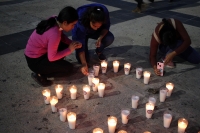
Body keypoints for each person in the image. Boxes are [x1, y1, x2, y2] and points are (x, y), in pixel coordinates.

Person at [24, 6, 82, 87]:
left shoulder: (55, 19)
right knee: (68, 69)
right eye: (73, 25)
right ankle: (40, 74)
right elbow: (52, 57)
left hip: (38, 54)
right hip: (35, 61)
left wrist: (72, 43)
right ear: (65, 23)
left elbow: (62, 37)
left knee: (65, 45)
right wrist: (70, 49)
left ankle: (52, 66)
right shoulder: (54, 34)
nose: (73, 27)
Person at [72, 3, 114, 76]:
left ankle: (99, 51)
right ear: (90, 20)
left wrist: (100, 38)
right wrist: (84, 64)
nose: (96, 28)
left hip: (90, 29)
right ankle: (85, 53)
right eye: (94, 25)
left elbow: (106, 27)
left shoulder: (104, 13)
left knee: (109, 38)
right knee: (82, 60)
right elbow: (80, 42)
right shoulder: (81, 19)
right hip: (81, 31)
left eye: (98, 26)